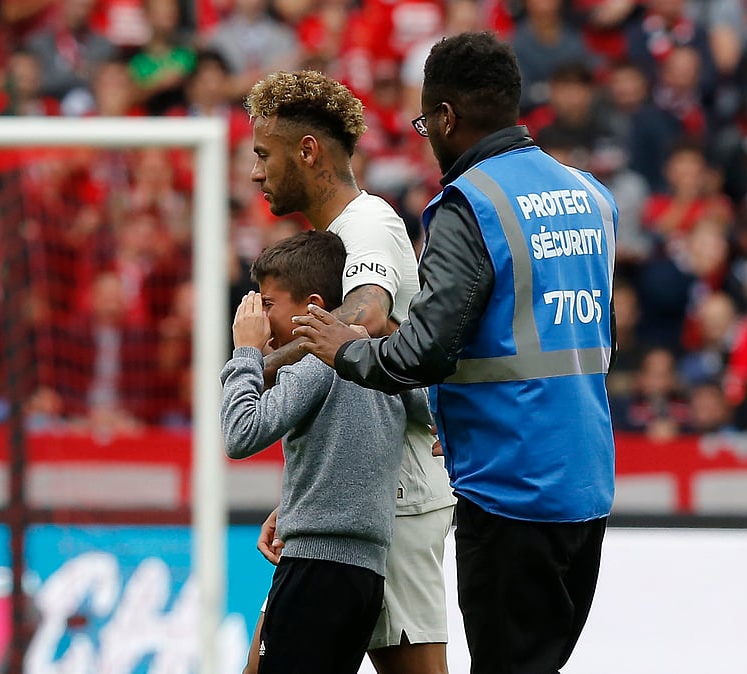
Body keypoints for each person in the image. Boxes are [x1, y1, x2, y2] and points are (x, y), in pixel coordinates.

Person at [293, 32, 617, 673]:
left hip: (509, 485)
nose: (426, 136)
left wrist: (345, 351)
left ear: (447, 116)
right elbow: (582, 333)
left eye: (424, 121)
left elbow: (427, 350)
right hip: (587, 479)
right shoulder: (588, 194)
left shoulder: (472, 203)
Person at [242, 69, 455, 674]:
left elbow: (365, 314)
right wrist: (313, 497)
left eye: (264, 154)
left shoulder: (367, 224)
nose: (256, 171)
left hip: (398, 496)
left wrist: (260, 361)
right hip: (353, 495)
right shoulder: (333, 236)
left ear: (307, 151)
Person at [221, 230, 420, 673]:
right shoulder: (378, 357)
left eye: (268, 305)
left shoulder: (317, 361)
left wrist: (245, 352)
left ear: (313, 307)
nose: (260, 315)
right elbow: (424, 403)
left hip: (317, 569)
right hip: (363, 574)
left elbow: (240, 432)